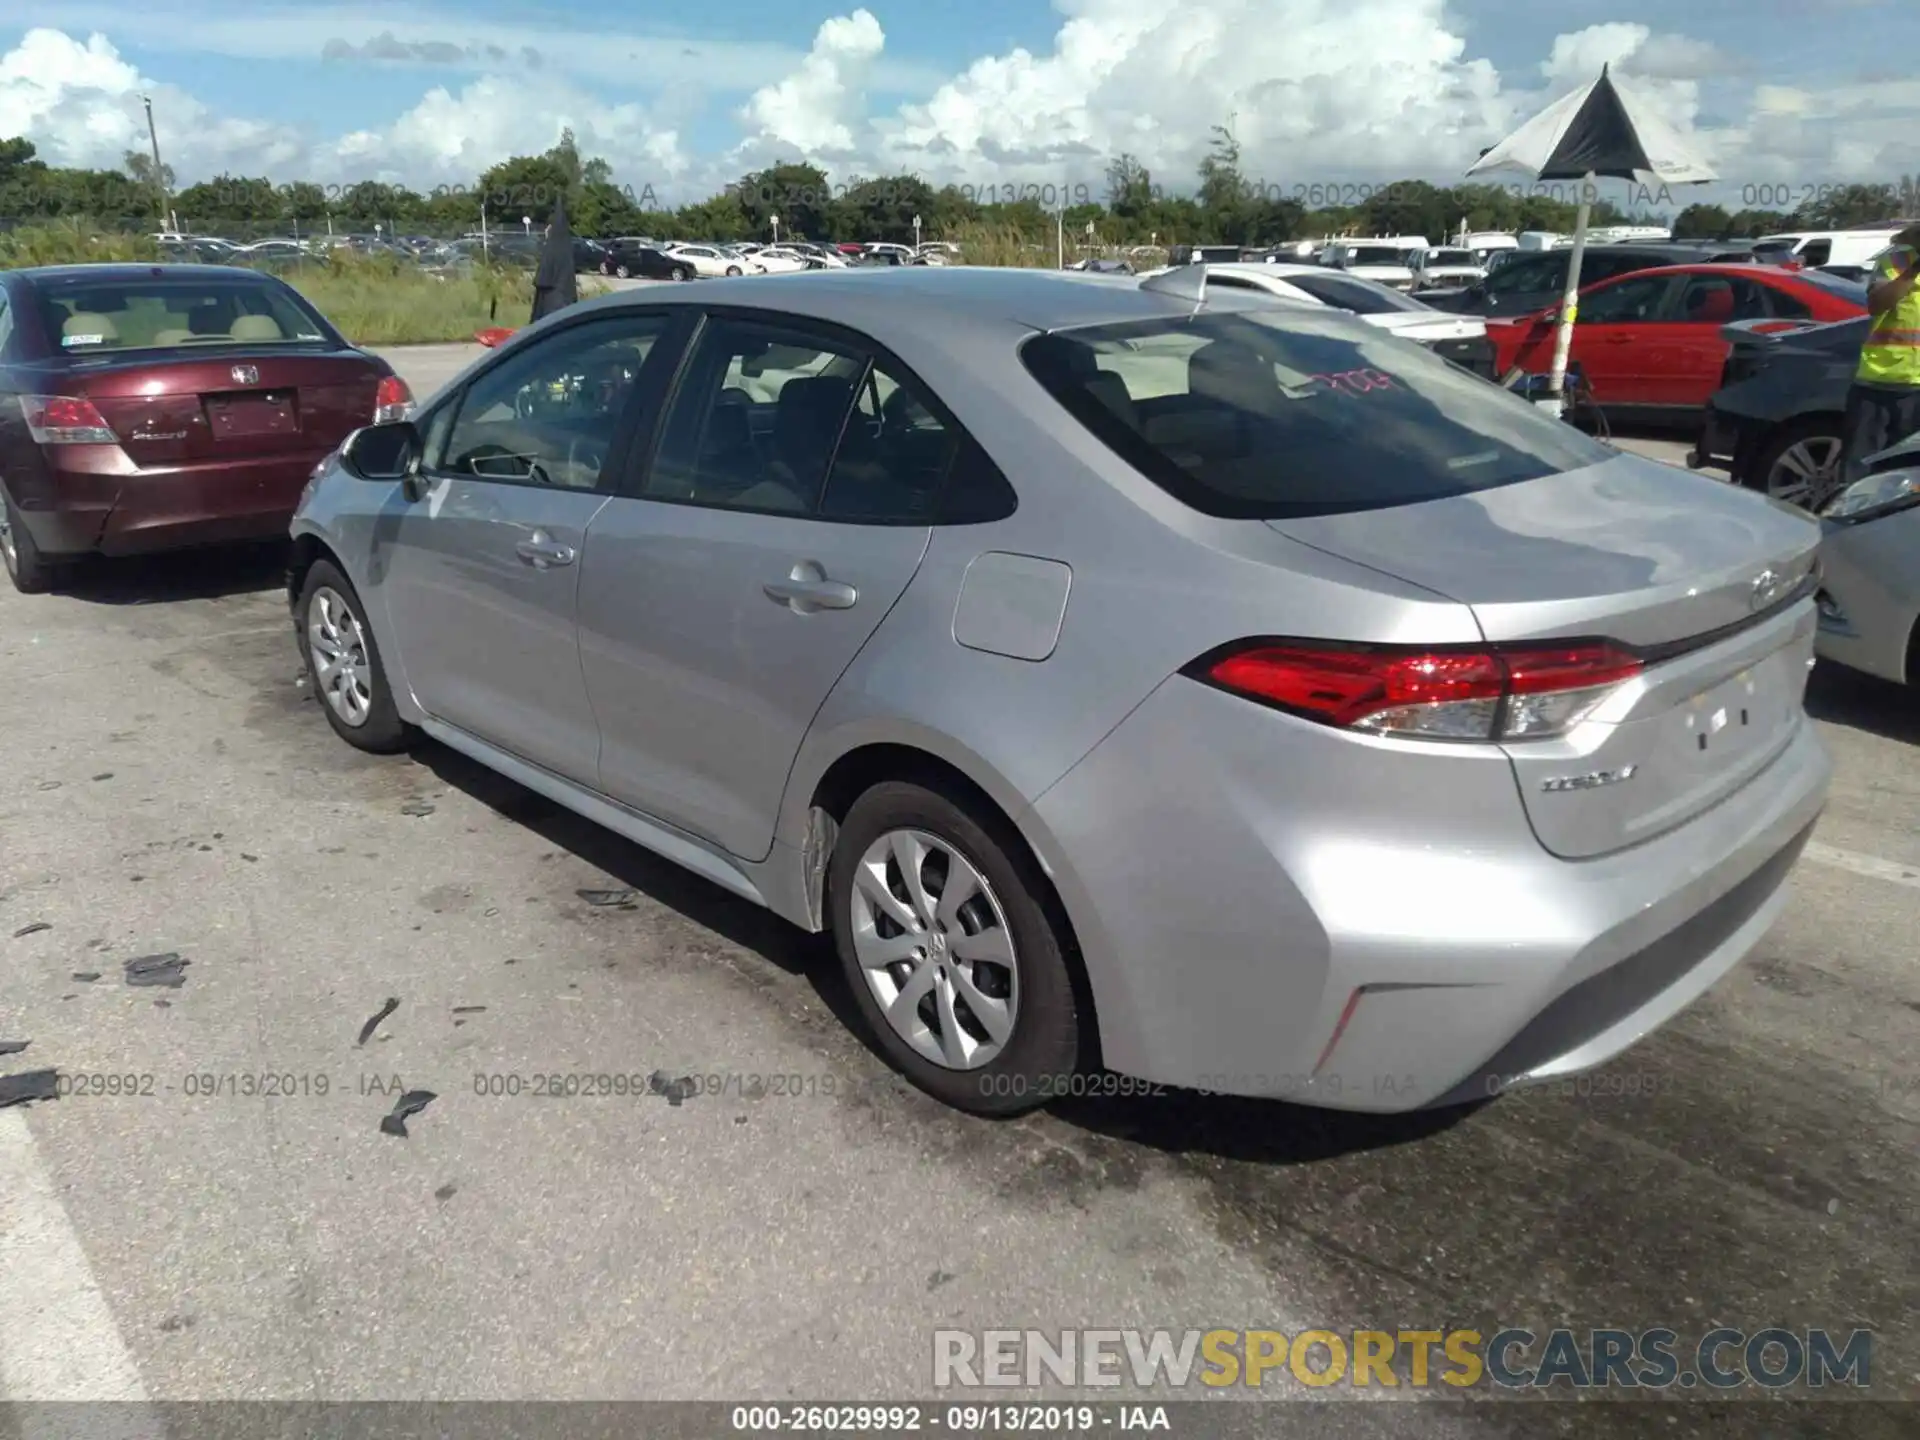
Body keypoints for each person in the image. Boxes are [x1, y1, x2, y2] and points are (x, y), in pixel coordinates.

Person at [1839, 222, 1920, 488]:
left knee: (1908, 481)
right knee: (1858, 476)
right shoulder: (1896, 260)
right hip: (1878, 384)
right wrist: (1913, 270)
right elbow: (1876, 304)